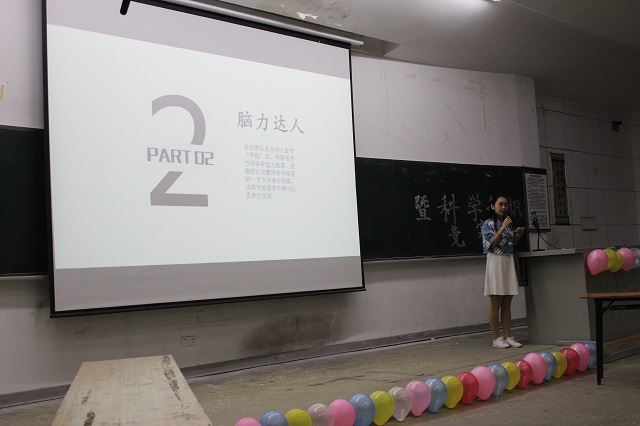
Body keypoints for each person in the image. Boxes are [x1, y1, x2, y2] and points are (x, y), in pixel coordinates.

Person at [481, 194, 525, 349]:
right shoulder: (488, 224)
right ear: (493, 206)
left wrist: (517, 235)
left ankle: (508, 336)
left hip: (507, 260)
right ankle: (496, 338)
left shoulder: (508, 223)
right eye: (500, 204)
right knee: (496, 302)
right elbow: (491, 245)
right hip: (495, 261)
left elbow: (508, 244)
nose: (504, 207)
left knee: (507, 302)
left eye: (506, 204)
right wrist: (503, 227)